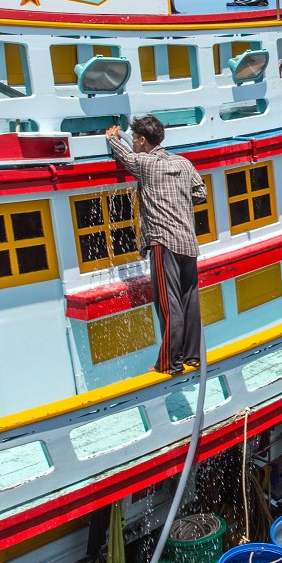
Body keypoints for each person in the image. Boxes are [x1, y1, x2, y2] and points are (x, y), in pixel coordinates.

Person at [106, 116, 209, 375]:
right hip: (187, 240)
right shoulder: (184, 163)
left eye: (135, 139)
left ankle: (170, 363)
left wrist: (112, 138)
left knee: (168, 303)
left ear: (141, 140)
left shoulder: (145, 163)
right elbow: (201, 194)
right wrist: (178, 204)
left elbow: (126, 158)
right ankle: (192, 356)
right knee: (189, 300)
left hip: (163, 240)